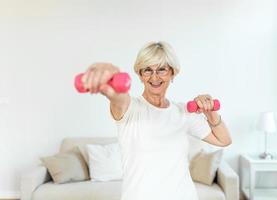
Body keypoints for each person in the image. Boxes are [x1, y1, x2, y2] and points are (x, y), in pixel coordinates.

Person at [81, 41, 232, 200]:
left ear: (172, 73)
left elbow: (223, 140)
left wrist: (211, 113)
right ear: (140, 75)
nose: (154, 77)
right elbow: (117, 96)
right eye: (147, 70)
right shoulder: (130, 108)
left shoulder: (184, 112)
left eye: (161, 69)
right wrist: (111, 75)